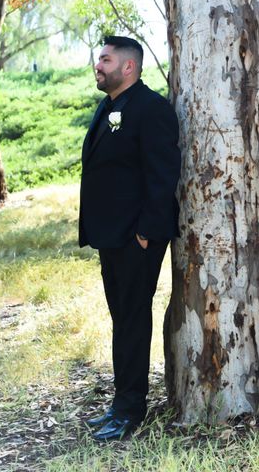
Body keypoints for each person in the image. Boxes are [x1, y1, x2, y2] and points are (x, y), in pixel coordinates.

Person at [79, 36, 181, 440]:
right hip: (111, 236)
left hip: (137, 238)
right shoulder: (109, 107)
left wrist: (144, 234)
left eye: (105, 59)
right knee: (122, 320)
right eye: (98, 59)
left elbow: (163, 176)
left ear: (128, 68)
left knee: (134, 319)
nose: (97, 66)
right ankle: (120, 403)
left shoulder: (151, 109)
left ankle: (130, 411)